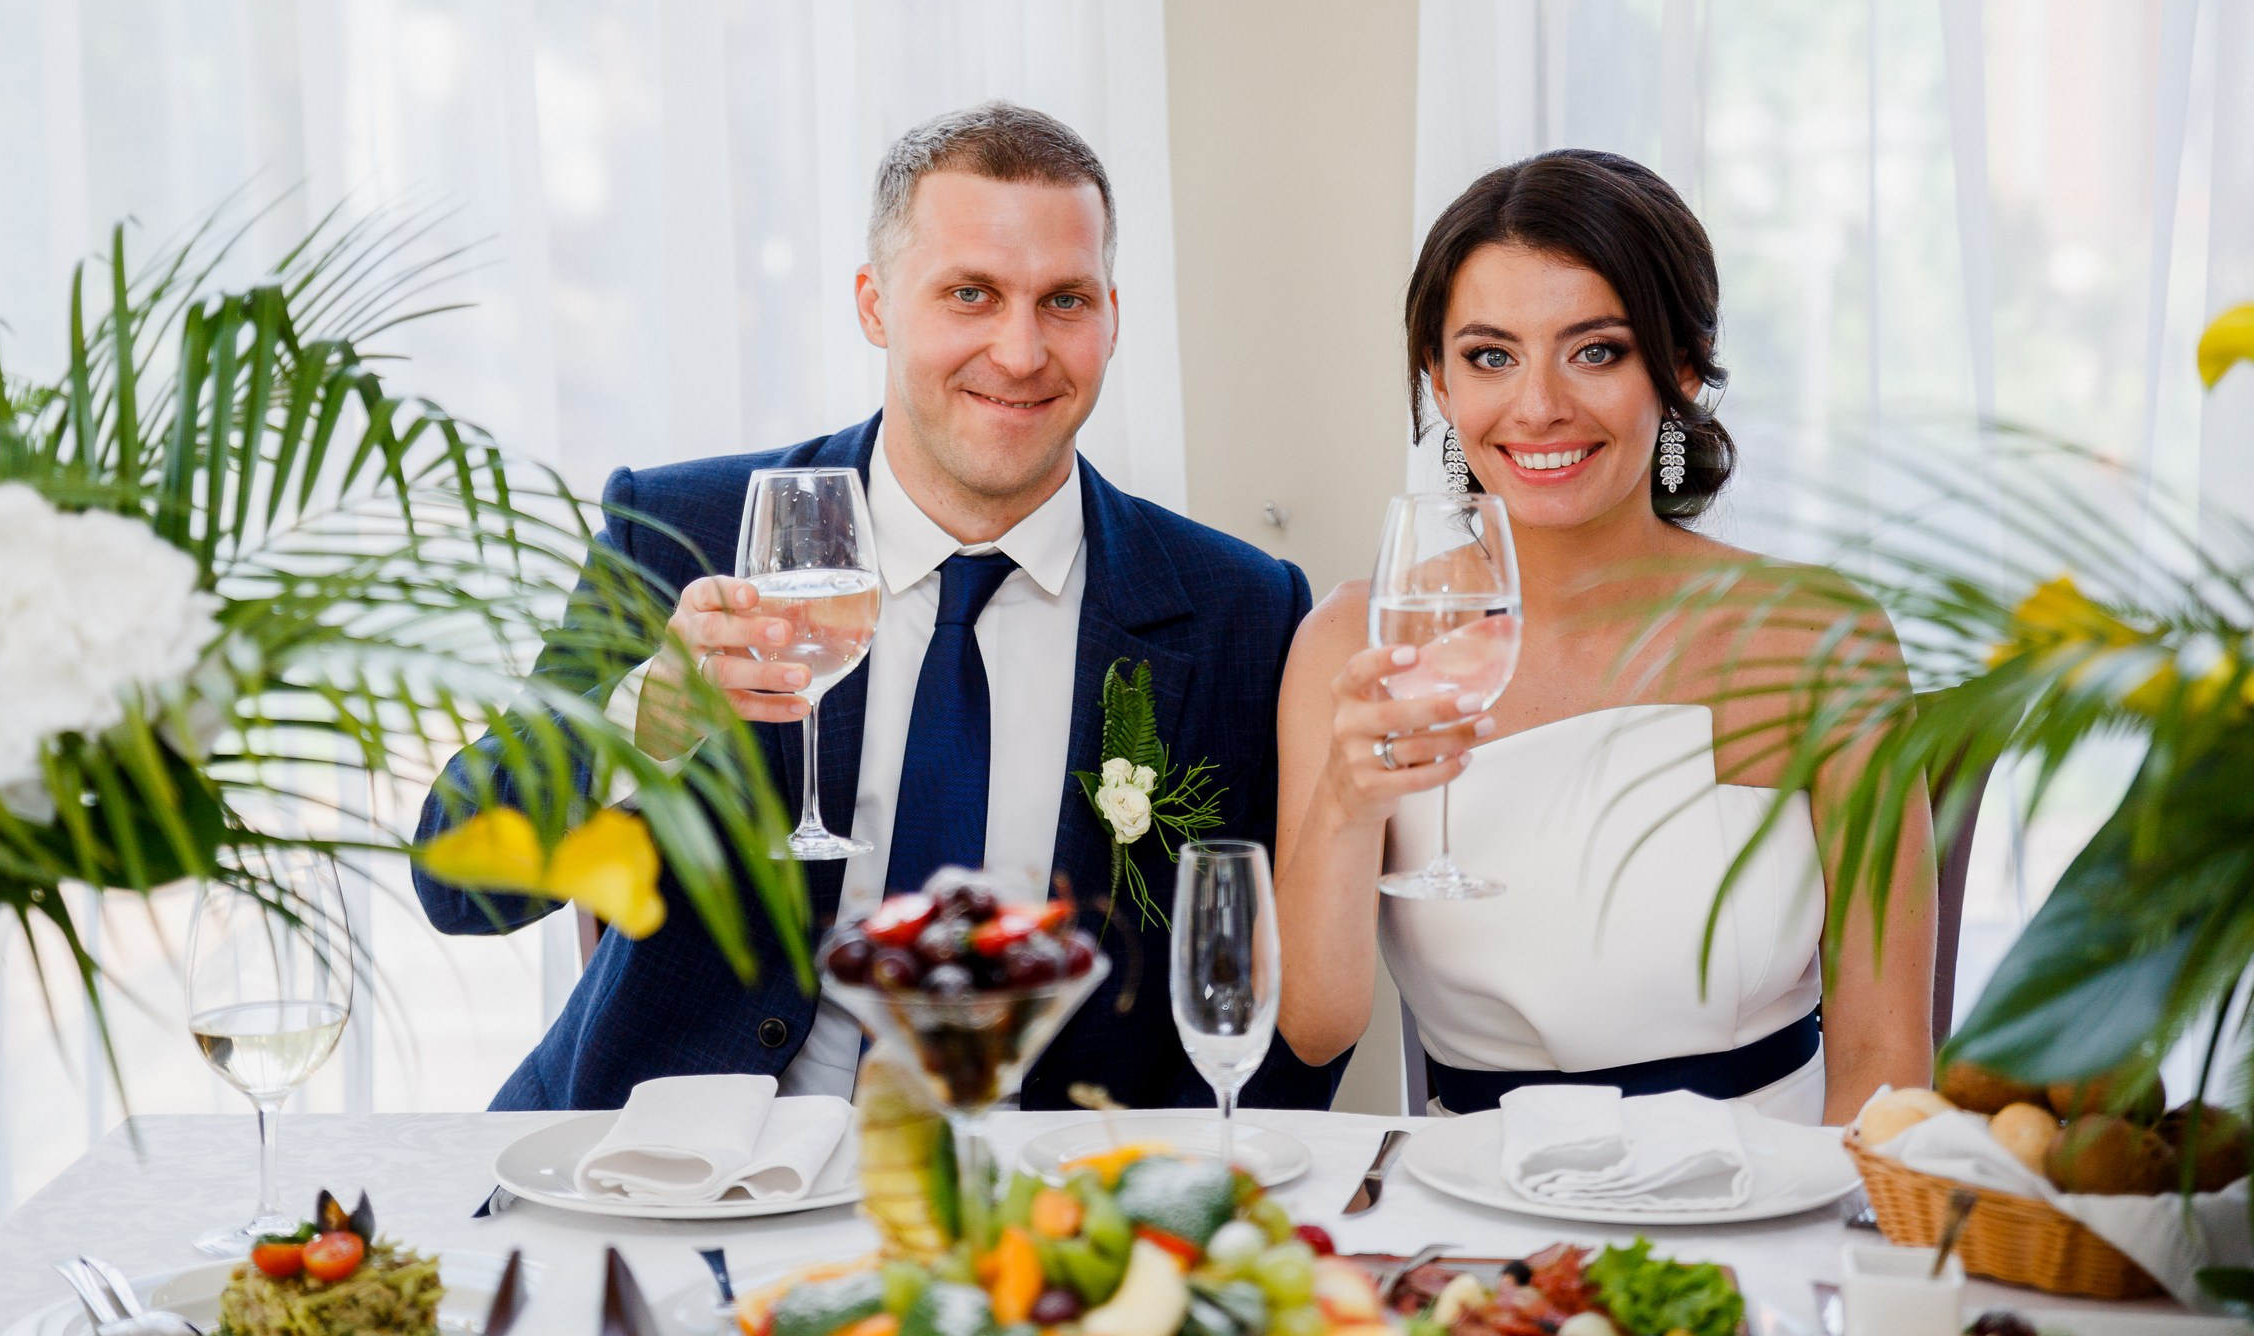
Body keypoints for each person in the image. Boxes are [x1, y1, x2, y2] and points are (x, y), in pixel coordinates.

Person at [416, 101, 1340, 1113]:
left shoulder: (1239, 610)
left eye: (1065, 300)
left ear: (1113, 316)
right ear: (874, 303)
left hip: (1032, 1214)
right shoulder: (684, 530)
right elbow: (460, 884)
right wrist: (646, 714)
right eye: (971, 294)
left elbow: (1272, 1003)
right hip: (682, 1187)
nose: (1023, 350)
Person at [1273, 150, 1934, 1125]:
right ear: (1440, 386)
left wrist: (1821, 1265)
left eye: (1596, 350)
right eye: (1491, 356)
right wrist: (1342, 799)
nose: (1539, 405)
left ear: (1677, 367)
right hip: (1475, 1228)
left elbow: (1883, 1057)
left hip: (1762, 1213)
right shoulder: (1354, 642)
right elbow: (1315, 1028)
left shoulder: (1815, 639)